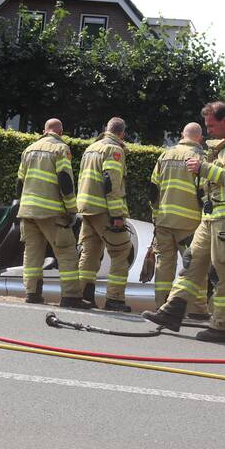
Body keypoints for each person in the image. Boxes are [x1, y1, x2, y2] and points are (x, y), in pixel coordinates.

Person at [142, 101, 225, 343]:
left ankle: (223, 327)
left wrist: (205, 169)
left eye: (212, 125)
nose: (209, 131)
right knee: (191, 263)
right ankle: (172, 312)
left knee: (224, 272)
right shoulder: (223, 146)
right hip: (211, 218)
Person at [16, 118, 85, 307]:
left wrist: (22, 204)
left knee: (32, 254)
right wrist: (71, 209)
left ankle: (32, 294)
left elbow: (20, 182)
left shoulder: (28, 149)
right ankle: (71, 296)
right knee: (66, 252)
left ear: (45, 130)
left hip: (28, 211)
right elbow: (65, 181)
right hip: (51, 212)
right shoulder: (61, 149)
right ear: (60, 132)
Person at [146, 122, 210, 316]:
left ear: (183, 134)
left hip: (164, 220)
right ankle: (197, 309)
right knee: (195, 265)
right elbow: (205, 194)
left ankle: (161, 306)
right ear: (200, 138)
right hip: (190, 223)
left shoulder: (165, 155)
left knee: (164, 265)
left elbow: (153, 190)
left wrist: (155, 214)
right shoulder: (202, 159)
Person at [76, 117, 132, 310]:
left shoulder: (91, 148)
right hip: (103, 209)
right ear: (122, 133)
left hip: (87, 209)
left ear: (106, 129)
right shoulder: (114, 150)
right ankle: (114, 299)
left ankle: (83, 296)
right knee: (121, 250)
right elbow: (111, 182)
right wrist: (117, 214)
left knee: (90, 252)